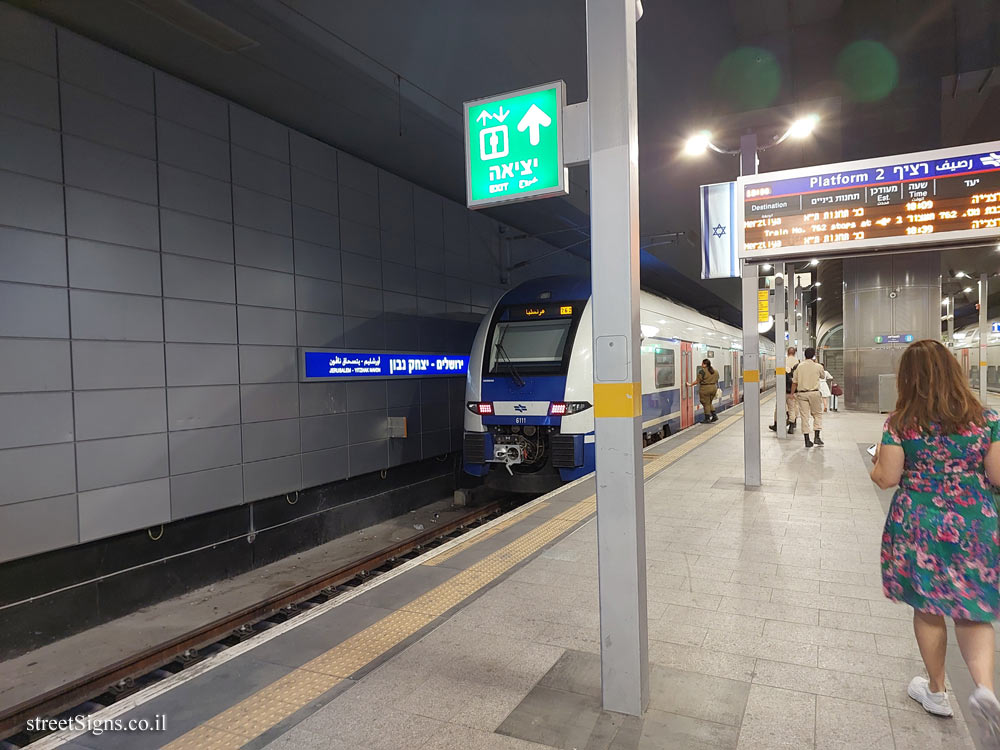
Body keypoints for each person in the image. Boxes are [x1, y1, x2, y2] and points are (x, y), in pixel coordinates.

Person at [870, 339, 1000, 733]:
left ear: (908, 379)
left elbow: (887, 478)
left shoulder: (901, 423)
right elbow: (997, 476)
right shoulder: (988, 419)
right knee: (971, 609)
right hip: (974, 523)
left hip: (919, 522)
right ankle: (984, 688)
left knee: (928, 608)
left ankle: (938, 691)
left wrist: (876, 462)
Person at [791, 347, 824, 447]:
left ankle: (807, 440)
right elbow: (822, 376)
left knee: (804, 416)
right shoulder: (818, 366)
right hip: (814, 393)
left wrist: (792, 393)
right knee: (817, 414)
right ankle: (817, 437)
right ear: (814, 355)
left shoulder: (799, 366)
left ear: (804, 355)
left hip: (802, 394)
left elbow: (794, 382)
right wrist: (816, 362)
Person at [769, 346, 799, 434]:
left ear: (787, 352)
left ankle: (776, 424)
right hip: (793, 390)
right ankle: (792, 425)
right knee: (792, 408)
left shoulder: (783, 361)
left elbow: (777, 374)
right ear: (794, 353)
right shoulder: (798, 362)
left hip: (782, 389)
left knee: (778, 407)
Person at [687, 358, 719, 423]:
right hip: (713, 387)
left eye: (702, 363)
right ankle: (714, 416)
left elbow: (697, 381)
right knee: (709, 402)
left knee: (705, 403)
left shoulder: (702, 371)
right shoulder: (715, 371)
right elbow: (717, 379)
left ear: (705, 364)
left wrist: (690, 384)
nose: (701, 365)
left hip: (705, 388)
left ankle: (707, 419)